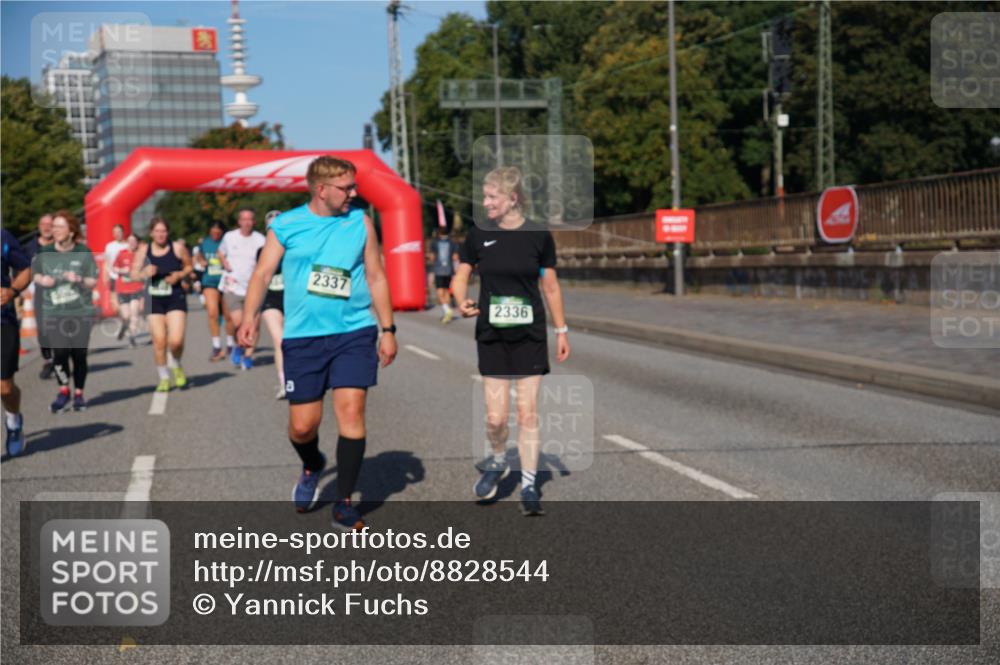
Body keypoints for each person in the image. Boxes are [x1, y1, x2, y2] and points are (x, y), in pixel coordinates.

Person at [238, 156, 397, 531]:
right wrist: (250, 317)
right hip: (303, 336)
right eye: (347, 188)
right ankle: (312, 463)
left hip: (353, 332)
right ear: (321, 189)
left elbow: (375, 276)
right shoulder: (287, 225)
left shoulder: (360, 222)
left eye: (355, 186)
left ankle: (343, 502)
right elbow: (262, 273)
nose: (354, 194)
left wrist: (388, 329)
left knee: (352, 413)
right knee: (303, 426)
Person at [451, 166, 571, 516]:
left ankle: (530, 484)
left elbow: (550, 286)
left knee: (527, 412)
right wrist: (461, 301)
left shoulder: (538, 235)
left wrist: (561, 331)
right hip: (491, 334)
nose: (485, 203)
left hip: (529, 335)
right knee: (496, 417)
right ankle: (499, 459)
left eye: (492, 197)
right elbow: (461, 277)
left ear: (512, 199)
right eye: (484, 196)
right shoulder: (478, 234)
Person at [33, 210, 99, 413]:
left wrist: (79, 280)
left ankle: (79, 393)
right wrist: (42, 280)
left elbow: (93, 281)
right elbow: (35, 274)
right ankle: (63, 390)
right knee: (60, 352)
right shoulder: (45, 252)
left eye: (60, 227)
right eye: (54, 227)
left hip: (80, 311)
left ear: (71, 231)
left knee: (78, 354)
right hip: (54, 311)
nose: (55, 230)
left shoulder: (83, 252)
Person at [131, 217, 192, 392]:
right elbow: (133, 274)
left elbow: (189, 266)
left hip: (175, 296)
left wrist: (178, 276)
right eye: (157, 231)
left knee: (176, 341)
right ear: (151, 233)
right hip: (153, 299)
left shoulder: (178, 248)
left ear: (168, 232)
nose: (160, 234)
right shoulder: (143, 251)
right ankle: (164, 377)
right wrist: (144, 272)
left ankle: (176, 364)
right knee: (159, 340)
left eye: (163, 231)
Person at [219, 208, 265, 370]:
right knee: (239, 322)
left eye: (250, 219)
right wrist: (224, 262)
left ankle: (248, 356)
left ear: (254, 221)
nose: (247, 223)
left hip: (254, 287)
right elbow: (220, 252)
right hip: (233, 286)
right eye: (244, 219)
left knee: (255, 324)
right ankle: (239, 345)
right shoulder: (229, 237)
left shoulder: (260, 239)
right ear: (239, 222)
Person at [2, 228, 32, 455]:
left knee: (4, 387)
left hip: (3, 321)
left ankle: (13, 422)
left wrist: (12, 291)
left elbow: (25, 269)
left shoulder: (3, 237)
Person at [23, 213, 55, 380]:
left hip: (60, 295)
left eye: (50, 223)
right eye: (43, 224)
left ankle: (61, 359)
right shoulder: (29, 247)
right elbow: (22, 270)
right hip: (39, 293)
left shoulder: (61, 245)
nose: (47, 227)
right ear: (39, 226)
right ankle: (49, 360)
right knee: (43, 331)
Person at [194, 221, 231, 361]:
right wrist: (201, 260)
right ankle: (216, 346)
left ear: (222, 231)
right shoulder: (205, 243)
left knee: (228, 316)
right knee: (212, 313)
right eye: (213, 229)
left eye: (218, 230)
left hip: (226, 282)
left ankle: (230, 343)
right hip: (209, 282)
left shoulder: (227, 242)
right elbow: (200, 255)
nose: (215, 232)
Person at [260, 210, 287, 399]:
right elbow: (259, 278)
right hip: (271, 300)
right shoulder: (261, 251)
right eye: (271, 228)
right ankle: (284, 382)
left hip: (294, 300)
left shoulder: (297, 248)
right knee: (280, 341)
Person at [111, 233, 145, 347]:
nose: (132, 243)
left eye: (134, 241)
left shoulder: (140, 255)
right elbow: (113, 268)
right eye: (129, 241)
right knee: (126, 316)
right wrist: (122, 270)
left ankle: (132, 337)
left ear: (137, 243)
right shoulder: (121, 254)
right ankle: (124, 326)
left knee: (134, 313)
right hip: (122, 288)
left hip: (136, 288)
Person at [427, 227, 460, 323]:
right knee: (446, 291)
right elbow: (455, 257)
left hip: (439, 270)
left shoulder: (434, 243)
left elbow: (432, 257)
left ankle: (447, 310)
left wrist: (431, 258)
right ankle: (448, 312)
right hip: (449, 270)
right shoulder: (452, 243)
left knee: (439, 292)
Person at [103, 223, 128, 327]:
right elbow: (106, 262)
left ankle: (126, 318)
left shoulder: (127, 245)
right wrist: (105, 276)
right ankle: (123, 320)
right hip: (113, 276)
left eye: (119, 232)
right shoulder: (109, 246)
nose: (117, 234)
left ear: (123, 232)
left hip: (125, 278)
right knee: (115, 305)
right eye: (115, 232)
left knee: (126, 303)